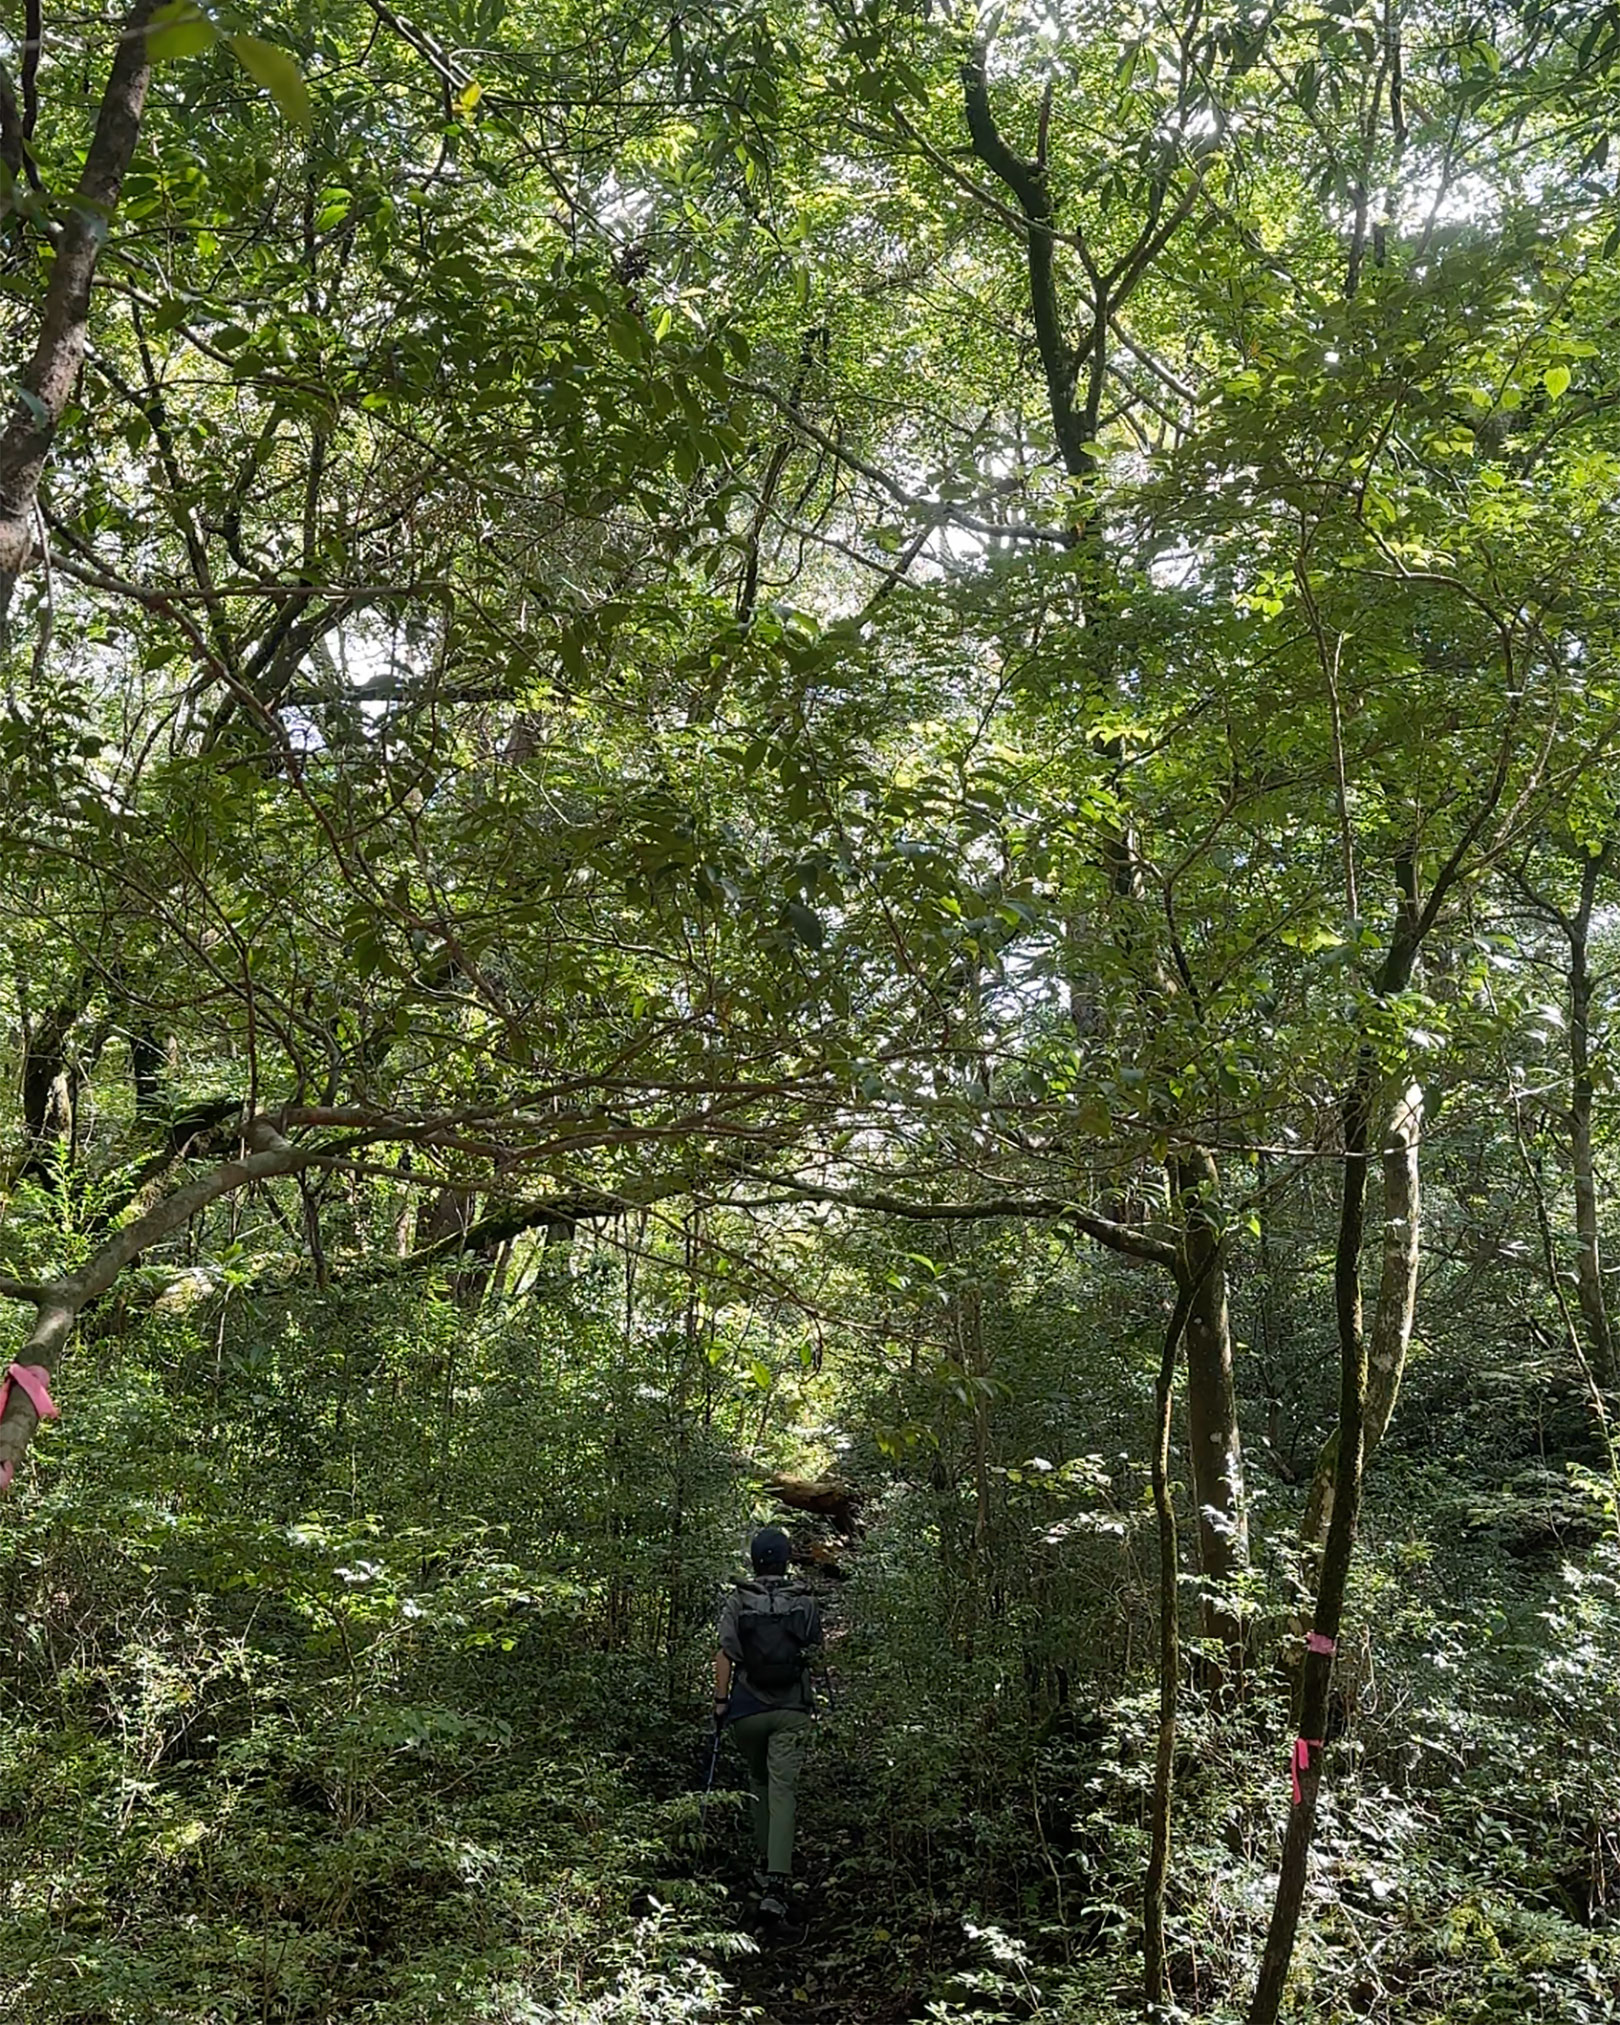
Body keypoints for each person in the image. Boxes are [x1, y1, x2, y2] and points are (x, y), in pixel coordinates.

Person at [713, 1527, 822, 1927]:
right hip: (792, 1707)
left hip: (748, 1708)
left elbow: (725, 1654)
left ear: (755, 1561)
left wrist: (721, 1702)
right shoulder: (804, 1601)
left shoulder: (738, 1599)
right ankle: (777, 1880)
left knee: (758, 1782)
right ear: (787, 1560)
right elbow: (813, 1645)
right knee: (783, 1790)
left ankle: (762, 1861)